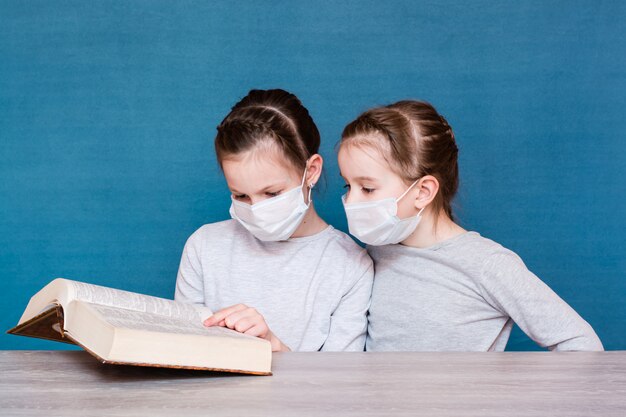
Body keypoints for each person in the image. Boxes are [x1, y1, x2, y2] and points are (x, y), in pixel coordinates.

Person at [337, 99, 603, 351]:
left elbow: (581, 343)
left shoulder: (486, 263)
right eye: (348, 186)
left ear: (423, 191)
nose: (351, 201)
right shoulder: (373, 254)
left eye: (368, 188)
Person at [175, 89, 373, 352]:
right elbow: (182, 353)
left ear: (311, 171)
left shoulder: (350, 266)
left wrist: (274, 347)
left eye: (272, 193)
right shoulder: (203, 247)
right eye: (241, 195)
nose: (256, 209)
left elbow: (339, 384)